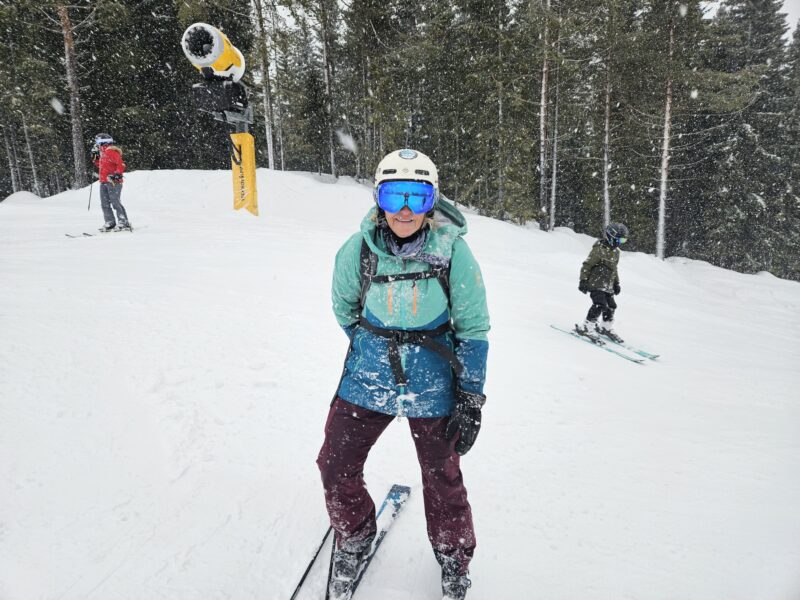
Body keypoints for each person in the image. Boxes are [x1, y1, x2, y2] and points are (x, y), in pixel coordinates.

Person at [317, 149, 490, 600]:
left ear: (432, 200)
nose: (407, 210)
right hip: (368, 374)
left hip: (432, 378)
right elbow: (345, 309)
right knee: (335, 464)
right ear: (379, 199)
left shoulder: (454, 252)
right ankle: (354, 535)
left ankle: (453, 556)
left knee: (442, 476)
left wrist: (470, 395)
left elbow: (473, 327)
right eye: (396, 196)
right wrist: (375, 343)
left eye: (418, 196)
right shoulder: (358, 251)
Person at [577, 222, 629, 342]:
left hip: (608, 284)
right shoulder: (599, 249)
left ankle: (605, 327)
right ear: (611, 237)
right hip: (596, 283)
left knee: (611, 306)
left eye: (623, 241)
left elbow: (614, 269)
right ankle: (587, 326)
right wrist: (583, 280)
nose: (620, 243)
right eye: (619, 240)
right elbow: (587, 265)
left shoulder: (616, 252)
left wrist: (616, 283)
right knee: (600, 304)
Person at [91, 133, 129, 231]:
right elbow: (102, 166)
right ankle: (110, 222)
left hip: (113, 182)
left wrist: (117, 174)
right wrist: (95, 158)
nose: (96, 145)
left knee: (115, 202)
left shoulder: (111, 152)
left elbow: (120, 164)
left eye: (97, 142)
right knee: (104, 204)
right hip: (103, 181)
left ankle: (123, 222)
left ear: (102, 142)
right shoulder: (102, 153)